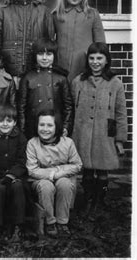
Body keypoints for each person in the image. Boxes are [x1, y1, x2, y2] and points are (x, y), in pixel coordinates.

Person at [71, 42, 127, 216]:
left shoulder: (115, 83)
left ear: (106, 60)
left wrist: (119, 139)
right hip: (83, 132)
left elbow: (120, 113)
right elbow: (71, 108)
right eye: (92, 58)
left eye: (99, 58)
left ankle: (99, 200)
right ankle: (87, 198)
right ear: (88, 60)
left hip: (105, 133)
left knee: (102, 169)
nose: (95, 62)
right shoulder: (78, 81)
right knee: (87, 168)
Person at [0, 0, 54, 87]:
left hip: (36, 70)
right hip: (9, 70)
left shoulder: (43, 11)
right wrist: (0, 66)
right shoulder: (3, 12)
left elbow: (49, 41)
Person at [26, 110, 82, 236]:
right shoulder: (32, 143)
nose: (45, 129)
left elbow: (77, 165)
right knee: (46, 186)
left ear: (57, 127)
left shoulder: (67, 143)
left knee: (64, 184)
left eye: (50, 125)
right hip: (40, 180)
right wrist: (52, 174)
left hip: (63, 178)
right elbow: (32, 169)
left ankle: (62, 222)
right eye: (42, 125)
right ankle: (49, 221)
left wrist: (58, 173)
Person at [18, 39, 73, 139]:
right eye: (40, 54)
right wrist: (22, 129)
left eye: (48, 54)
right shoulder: (28, 78)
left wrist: (66, 126)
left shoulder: (61, 78)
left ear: (54, 56)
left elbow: (68, 106)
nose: (44, 58)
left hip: (55, 126)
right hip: (32, 127)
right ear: (35, 56)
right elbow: (21, 107)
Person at [53, 0, 106, 82]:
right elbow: (49, 41)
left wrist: (99, 65)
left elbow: (100, 43)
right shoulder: (56, 14)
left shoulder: (92, 14)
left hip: (84, 65)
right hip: (61, 65)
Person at [0, 105, 27, 239]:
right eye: (1, 121)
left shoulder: (20, 138)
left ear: (15, 122)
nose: (5, 124)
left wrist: (12, 175)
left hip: (15, 176)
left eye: (9, 121)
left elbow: (22, 161)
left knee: (17, 187)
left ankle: (19, 225)